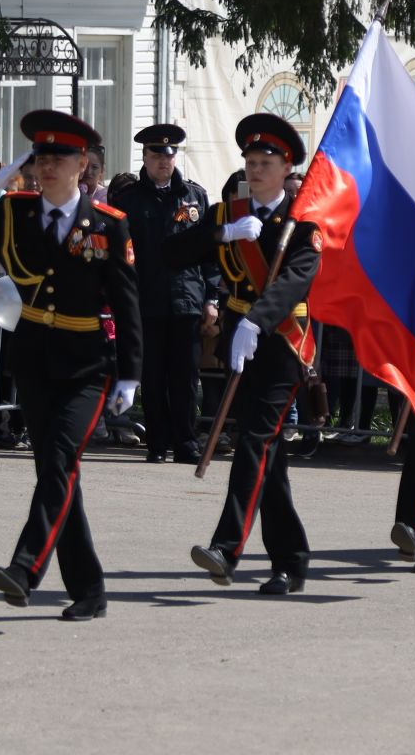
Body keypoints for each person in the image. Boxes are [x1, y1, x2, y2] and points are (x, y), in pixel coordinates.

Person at [0, 109, 142, 621]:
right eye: (40, 157)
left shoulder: (107, 225)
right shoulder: (14, 212)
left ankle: (25, 568)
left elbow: (127, 299)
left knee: (58, 464)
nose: (48, 167)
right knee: (57, 470)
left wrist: (131, 374)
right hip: (33, 361)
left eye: (59, 158)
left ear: (83, 164)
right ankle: (90, 589)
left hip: (87, 364)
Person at [176, 113, 319, 596]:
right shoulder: (228, 213)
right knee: (269, 456)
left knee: (256, 439)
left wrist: (258, 321)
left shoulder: (303, 222)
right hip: (239, 336)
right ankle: (291, 561)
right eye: (250, 162)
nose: (254, 170)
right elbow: (173, 253)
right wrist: (223, 235)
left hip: (282, 341)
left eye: (264, 163)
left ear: (287, 169)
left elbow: (298, 279)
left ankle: (227, 547)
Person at [110, 123, 220, 465]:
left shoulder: (194, 196)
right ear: (145, 157)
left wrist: (212, 298)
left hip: (187, 300)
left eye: (169, 154)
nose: (163, 160)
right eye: (157, 154)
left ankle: (186, 441)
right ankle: (157, 441)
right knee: (153, 377)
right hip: (147, 301)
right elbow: (121, 257)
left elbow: (208, 252)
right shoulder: (128, 200)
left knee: (185, 378)